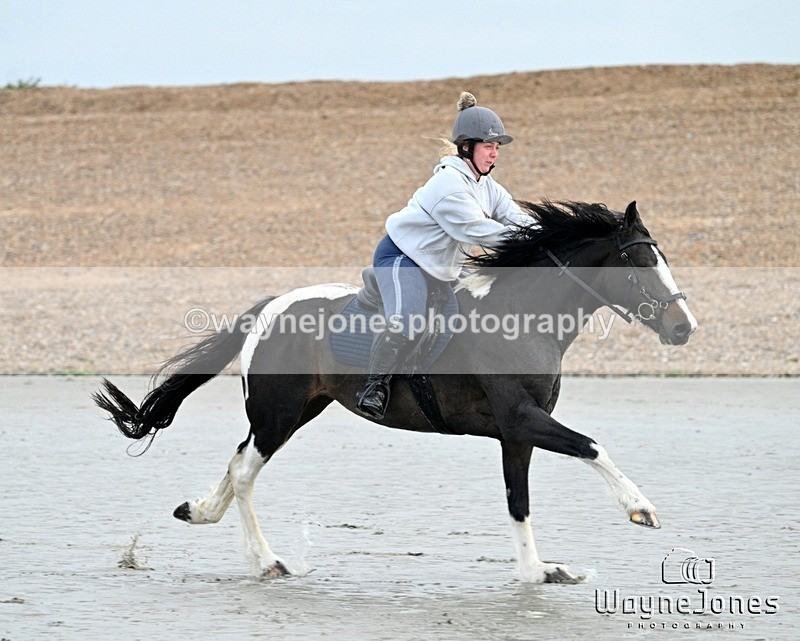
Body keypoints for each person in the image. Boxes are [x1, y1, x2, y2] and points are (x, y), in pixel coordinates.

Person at [355, 92, 531, 419]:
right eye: (488, 146)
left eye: (497, 147)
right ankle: (374, 386)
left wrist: (545, 234)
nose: (495, 153)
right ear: (467, 147)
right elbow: (477, 231)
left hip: (444, 266)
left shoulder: (486, 185)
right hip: (402, 258)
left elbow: (513, 215)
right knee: (408, 320)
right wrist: (528, 243)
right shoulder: (449, 185)